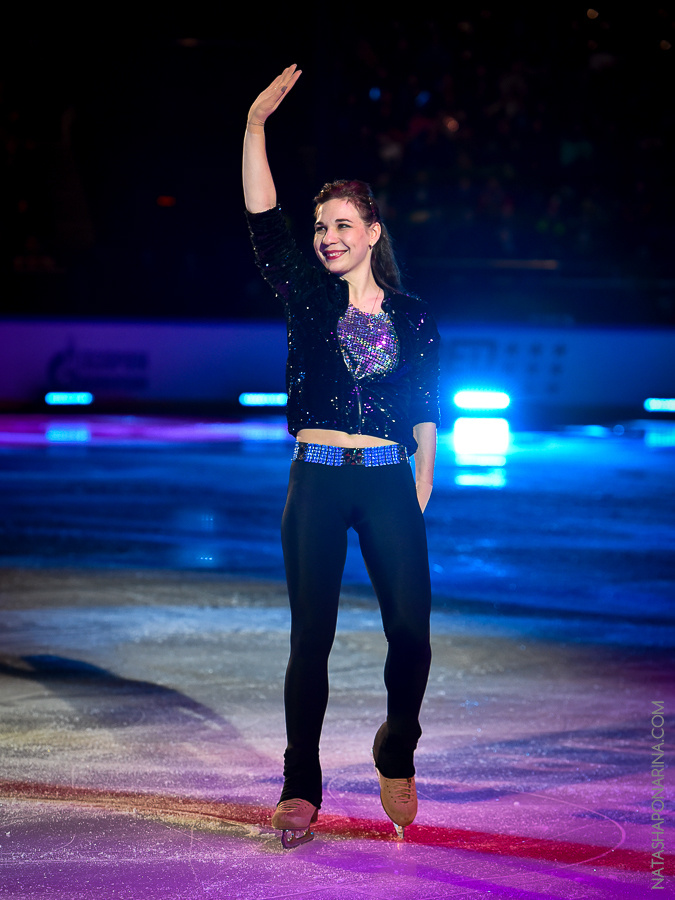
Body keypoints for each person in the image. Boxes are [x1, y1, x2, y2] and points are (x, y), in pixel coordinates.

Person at [243, 65, 440, 847]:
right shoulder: (306, 297)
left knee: (413, 635)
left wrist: (421, 480)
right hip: (315, 483)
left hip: (390, 480)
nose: (327, 237)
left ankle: (397, 749)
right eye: (321, 226)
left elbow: (426, 403)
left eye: (341, 226)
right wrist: (255, 126)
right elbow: (262, 220)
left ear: (371, 232)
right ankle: (301, 785)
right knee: (309, 641)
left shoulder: (415, 317)